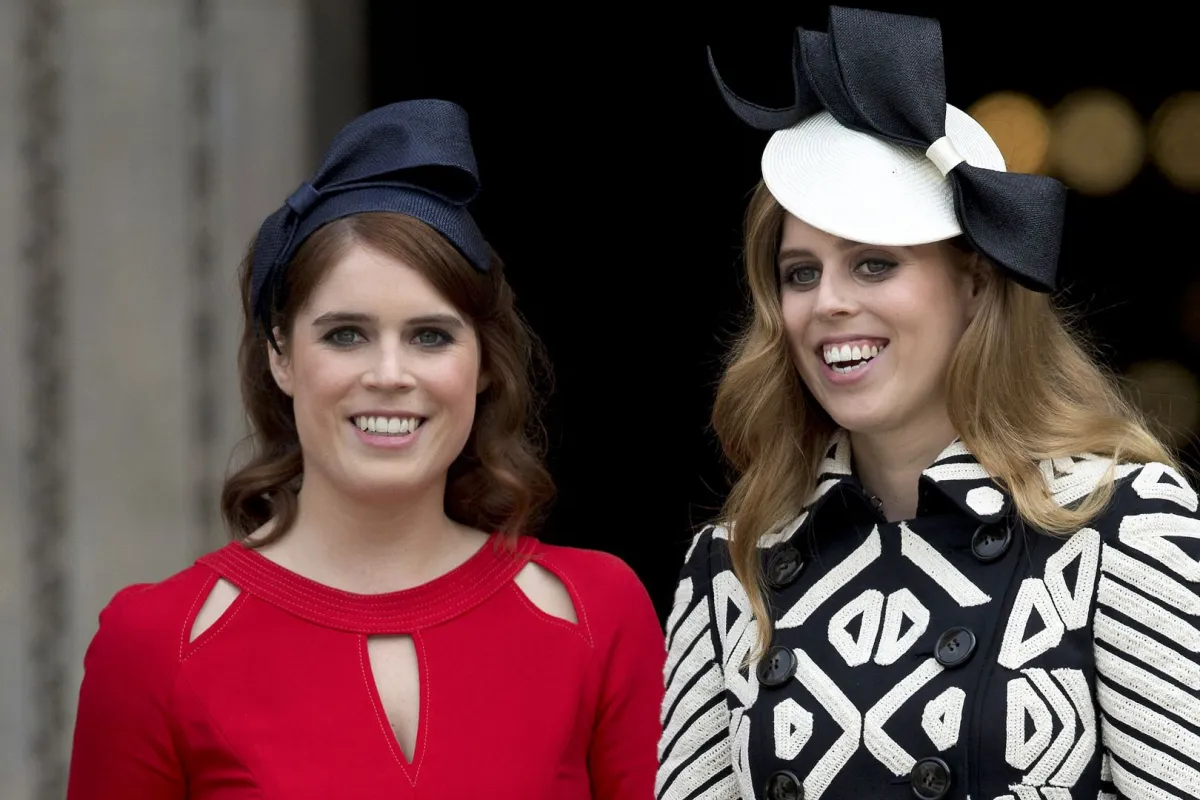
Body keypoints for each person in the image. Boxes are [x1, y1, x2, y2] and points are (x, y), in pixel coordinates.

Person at [656, 8, 1200, 800]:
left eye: (873, 265)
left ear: (975, 286)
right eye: (801, 273)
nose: (828, 303)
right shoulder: (729, 563)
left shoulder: (1121, 523)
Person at [66, 98, 665, 799]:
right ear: (281, 357)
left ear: (484, 366)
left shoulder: (597, 611)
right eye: (346, 334)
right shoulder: (155, 641)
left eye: (430, 336)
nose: (389, 375)